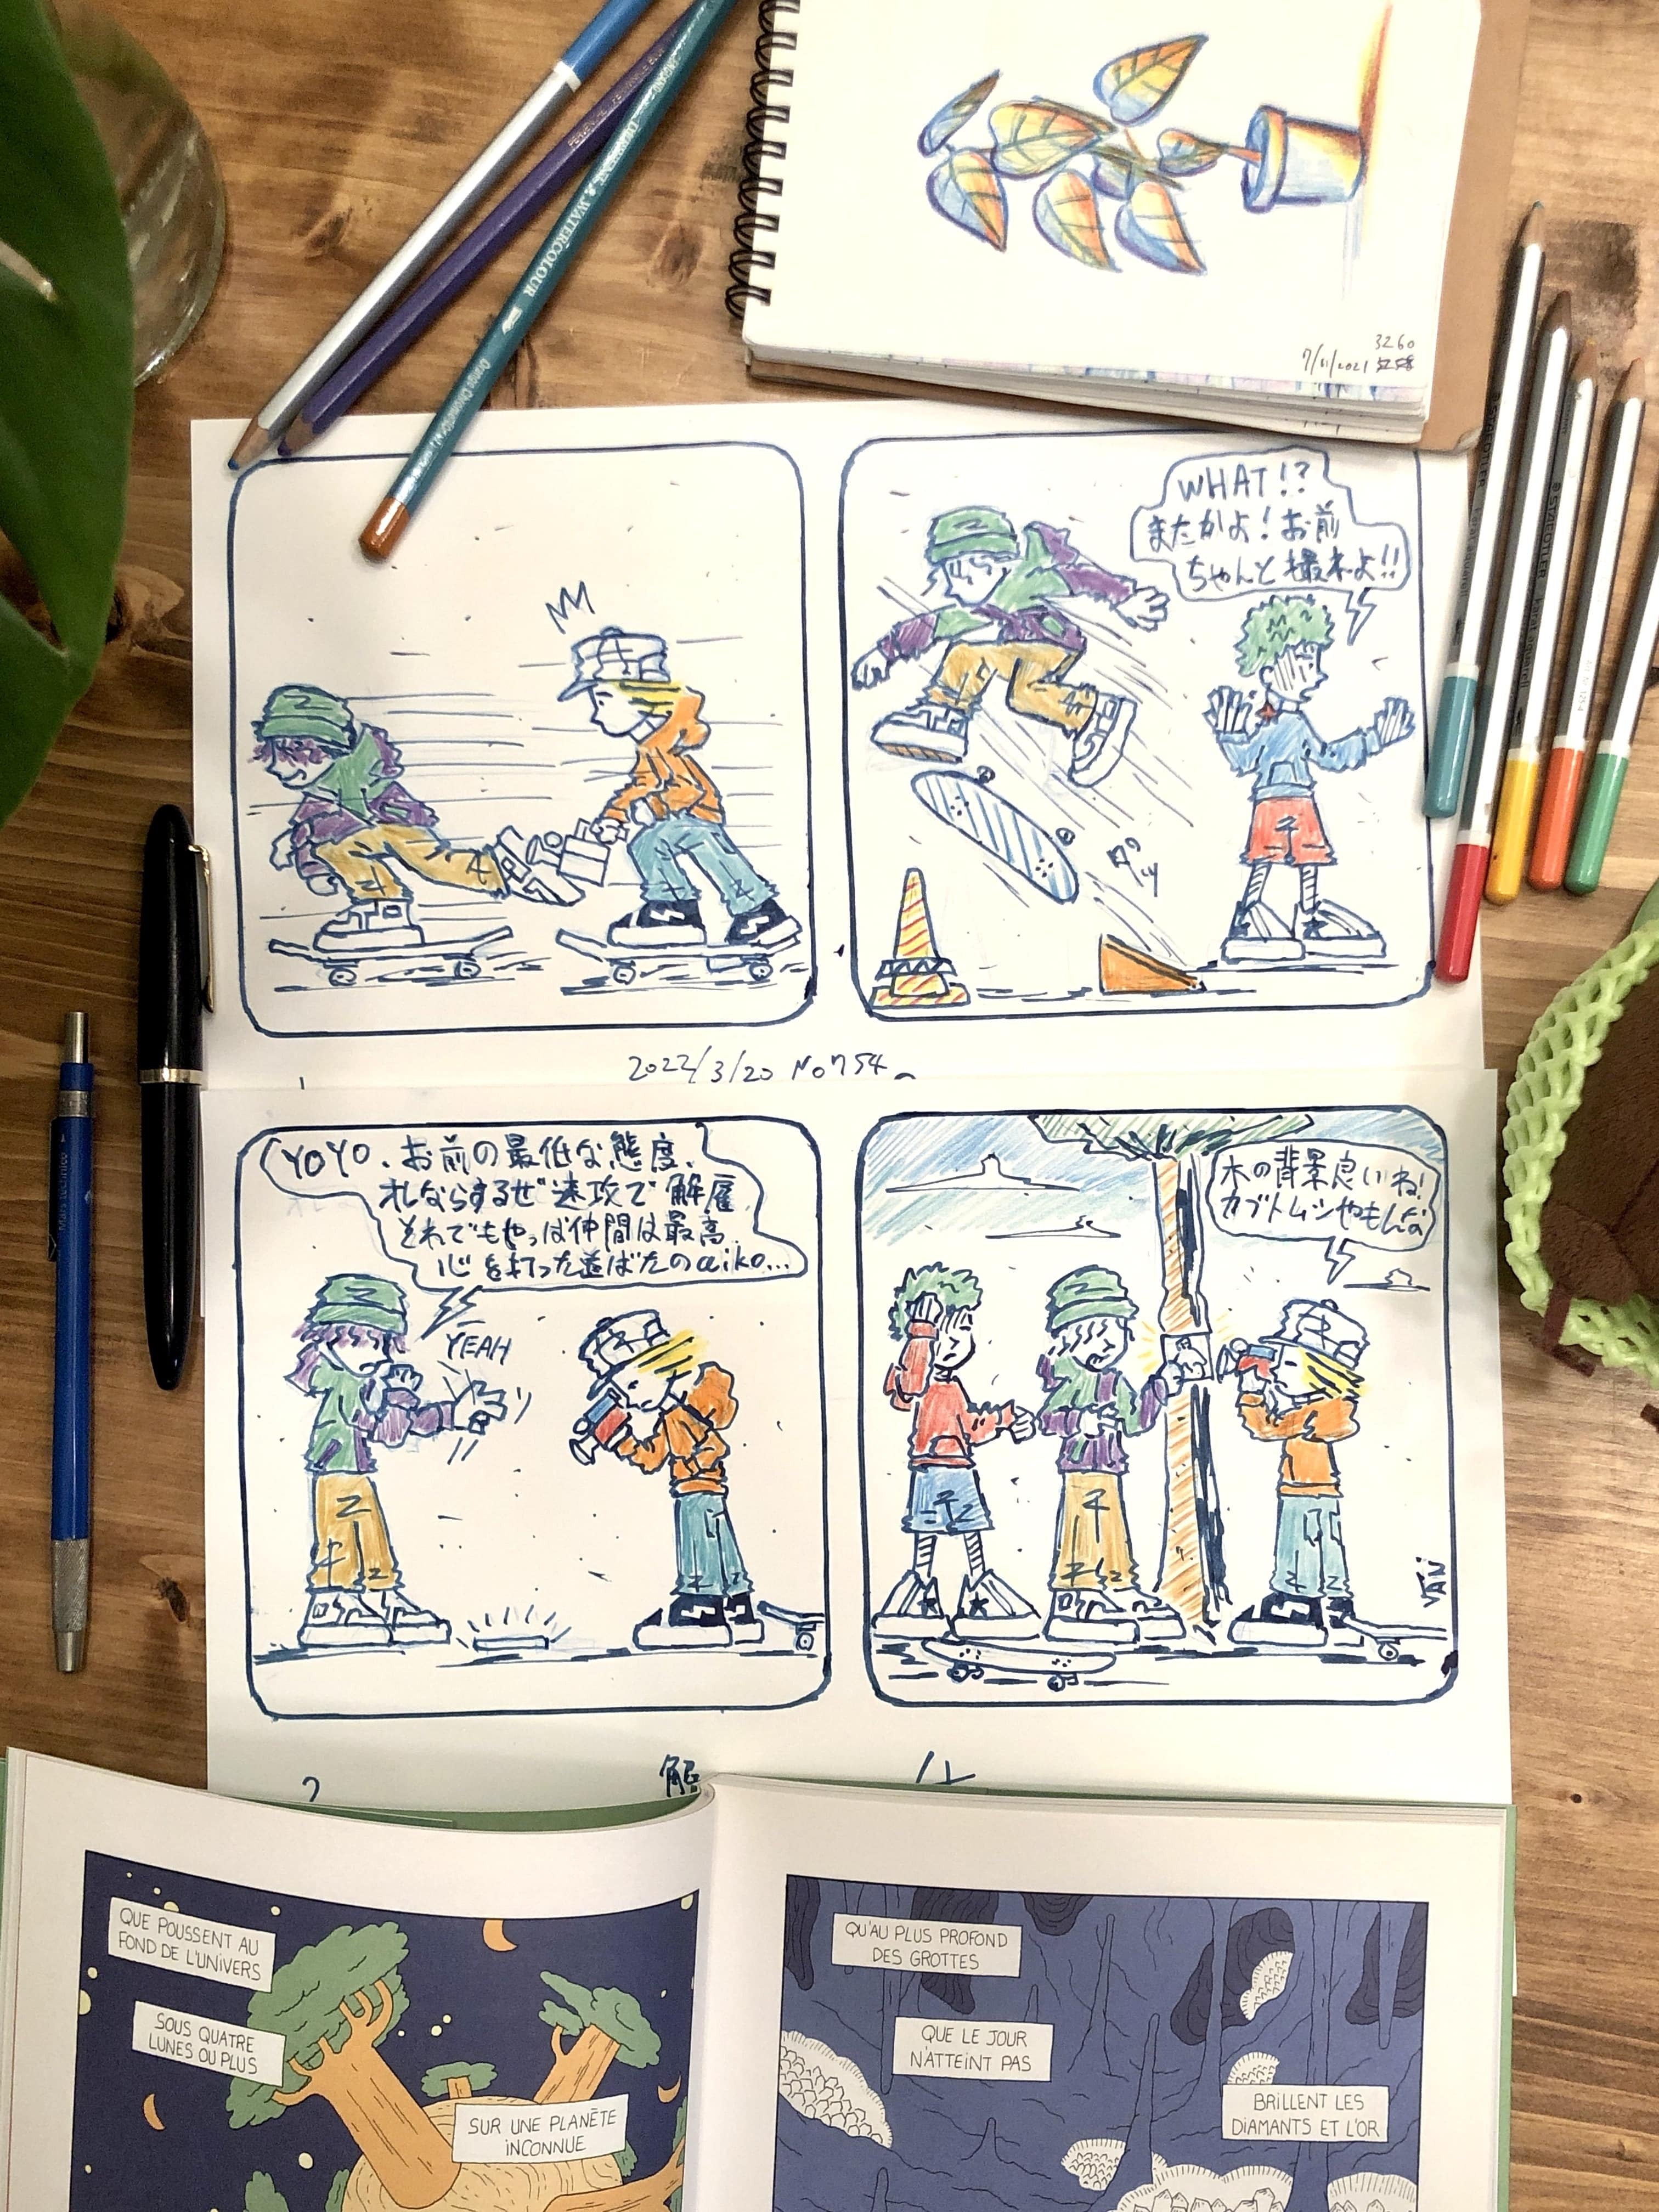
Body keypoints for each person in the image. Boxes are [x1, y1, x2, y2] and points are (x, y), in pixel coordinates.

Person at [850, 504, 1167, 779]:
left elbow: (1079, 578)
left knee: (1024, 693)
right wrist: (885, 653)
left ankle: (1094, 711)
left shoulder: (1026, 580)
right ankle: (944, 716)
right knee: (966, 654)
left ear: (979, 566)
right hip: (1023, 648)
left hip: (1053, 642)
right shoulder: (982, 604)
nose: (949, 590)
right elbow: (933, 625)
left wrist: (1125, 597)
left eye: (952, 576)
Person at [254, 682, 573, 949]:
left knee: (429, 863)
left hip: (394, 823)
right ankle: (386, 905)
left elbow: (318, 826)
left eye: (289, 758)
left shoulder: (349, 775)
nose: (278, 770)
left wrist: (304, 858)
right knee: (351, 851)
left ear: (318, 747)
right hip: (382, 828)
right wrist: (306, 858)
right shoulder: (325, 788)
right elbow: (313, 828)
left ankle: (498, 870)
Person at [289, 1273, 504, 1650]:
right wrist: (408, 1400)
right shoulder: (344, 1383)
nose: (376, 1354)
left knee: (371, 1530)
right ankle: (331, 1602)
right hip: (335, 1470)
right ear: (329, 1338)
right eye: (362, 1342)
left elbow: (399, 1422)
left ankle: (381, 1594)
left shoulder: (366, 1384)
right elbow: (382, 1428)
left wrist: (452, 1414)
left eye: (381, 1344)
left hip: (355, 1471)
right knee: (340, 1533)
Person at [1204, 596, 1415, 964]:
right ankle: (1248, 914)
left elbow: (1329, 756)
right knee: (1264, 858)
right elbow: (1244, 760)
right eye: (1304, 662)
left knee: (1310, 857)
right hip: (1272, 802)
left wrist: (1374, 739)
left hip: (1302, 801)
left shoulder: (1298, 724)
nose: (1316, 675)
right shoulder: (1271, 725)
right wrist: (1228, 734)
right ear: (1269, 671)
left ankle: (1309, 915)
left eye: (1314, 664)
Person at [562, 626, 798, 952]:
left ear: (641, 697)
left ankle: (714, 910)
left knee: (656, 844)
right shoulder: (653, 746)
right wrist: (616, 815)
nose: (596, 715)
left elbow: (688, 788)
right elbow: (642, 784)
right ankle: (710, 910)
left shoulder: (665, 743)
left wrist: (657, 809)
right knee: (654, 845)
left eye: (603, 701)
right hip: (689, 818)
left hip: (696, 816)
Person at [577, 1308, 762, 1648]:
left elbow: (714, 1437)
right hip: (697, 1488)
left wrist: (696, 1454)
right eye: (623, 1391)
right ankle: (738, 1605)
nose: (631, 1399)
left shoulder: (691, 1409)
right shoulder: (671, 1418)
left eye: (633, 1385)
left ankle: (702, 1603)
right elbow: (652, 1458)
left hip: (698, 1491)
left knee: (699, 1542)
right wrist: (619, 1439)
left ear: (664, 1367)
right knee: (720, 1541)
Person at [874, 1264, 1039, 1639]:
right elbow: (911, 1386)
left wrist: (1006, 1419)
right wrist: (921, 1332)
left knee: (971, 1530)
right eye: (944, 1333)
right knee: (926, 1532)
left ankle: (979, 1587)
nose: (954, 1342)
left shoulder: (954, 1388)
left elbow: (973, 1428)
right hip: (930, 1470)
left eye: (963, 1329)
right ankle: (919, 1590)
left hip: (961, 1470)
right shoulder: (921, 1381)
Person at [1035, 1265, 1189, 1646]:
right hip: (1080, 1469)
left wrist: (1161, 1386)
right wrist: (1079, 1422)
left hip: (1110, 1468)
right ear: (1070, 1338)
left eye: (1113, 1333)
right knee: (1082, 1526)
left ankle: (1120, 1585)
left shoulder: (1114, 1381)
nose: (1104, 1345)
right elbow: (1047, 1420)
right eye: (1093, 1334)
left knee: (1113, 1528)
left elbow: (1136, 1421)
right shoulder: (1070, 1378)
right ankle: (1077, 1593)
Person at [1221, 1297, 1368, 1647]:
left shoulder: (1318, 1413)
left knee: (1300, 1546)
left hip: (1303, 1490)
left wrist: (1252, 1394)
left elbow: (1268, 1429)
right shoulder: (1324, 1409)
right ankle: (1334, 1604)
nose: (1275, 1371)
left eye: (1289, 1363)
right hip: (1318, 1490)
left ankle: (1297, 1602)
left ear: (1322, 1372)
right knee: (1325, 1546)